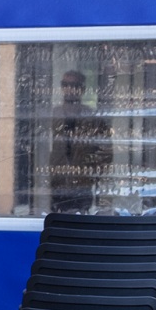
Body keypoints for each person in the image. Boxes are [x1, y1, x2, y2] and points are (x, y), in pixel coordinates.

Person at [48, 69, 108, 214]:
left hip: (83, 181)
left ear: (82, 89)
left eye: (74, 85)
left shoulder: (92, 116)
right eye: (65, 84)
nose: (69, 89)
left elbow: (105, 149)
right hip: (58, 180)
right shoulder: (53, 114)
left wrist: (95, 173)